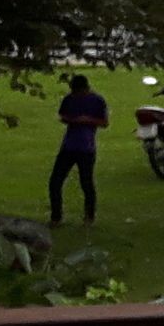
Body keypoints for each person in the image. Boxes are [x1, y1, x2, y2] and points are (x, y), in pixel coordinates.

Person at [49, 73, 107, 225]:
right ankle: (56, 216)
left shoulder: (97, 101)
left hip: (86, 147)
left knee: (86, 182)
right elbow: (62, 116)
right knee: (55, 181)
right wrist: (72, 120)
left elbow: (104, 122)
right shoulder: (69, 99)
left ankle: (89, 216)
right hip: (68, 145)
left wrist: (87, 120)